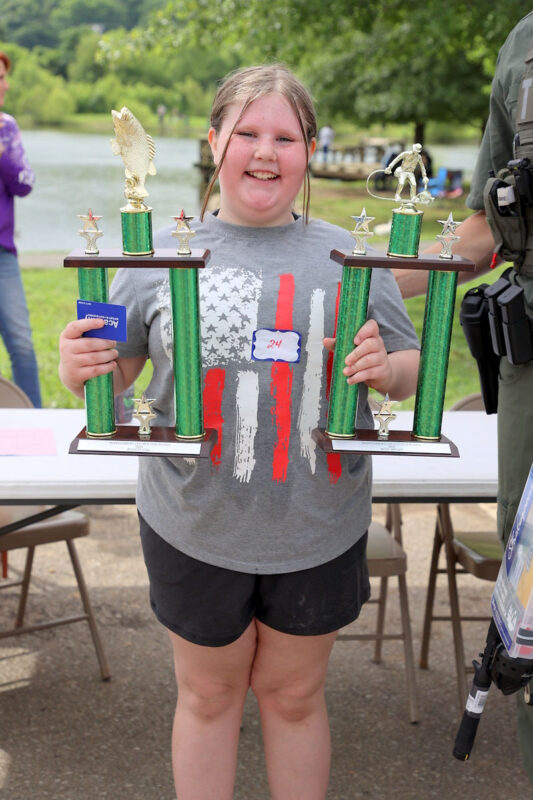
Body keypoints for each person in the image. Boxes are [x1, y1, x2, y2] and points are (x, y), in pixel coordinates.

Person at [58, 64, 420, 799]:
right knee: (208, 698)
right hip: (194, 521)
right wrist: (78, 365)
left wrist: (386, 368)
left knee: (292, 698)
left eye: (284, 136)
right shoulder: (154, 254)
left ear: (309, 149)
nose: (265, 150)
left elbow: (409, 364)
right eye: (247, 132)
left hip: (318, 522)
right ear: (214, 141)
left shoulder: (351, 257)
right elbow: (112, 374)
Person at [391, 12, 533, 783]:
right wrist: (356, 276)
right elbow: (484, 229)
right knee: (532, 615)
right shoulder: (522, 44)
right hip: (530, 378)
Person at [0, 51, 41, 407]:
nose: (5, 84)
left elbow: (24, 183)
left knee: (22, 345)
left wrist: (2, 149)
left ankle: (36, 423)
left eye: (3, 77)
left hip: (3, 256)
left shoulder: (7, 127)